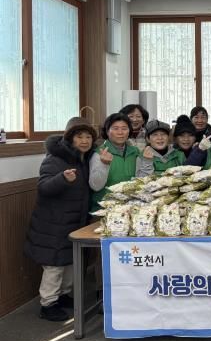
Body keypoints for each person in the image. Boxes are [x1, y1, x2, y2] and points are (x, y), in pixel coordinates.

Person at [24, 117, 97, 321]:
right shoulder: (54, 159)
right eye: (79, 136)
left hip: (73, 221)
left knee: (69, 262)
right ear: (70, 138)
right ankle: (47, 304)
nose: (84, 141)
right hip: (53, 223)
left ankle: (63, 296)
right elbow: (43, 187)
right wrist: (63, 179)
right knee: (54, 265)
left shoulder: (84, 158)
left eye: (88, 137)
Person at [89, 113, 140, 212]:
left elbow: (141, 180)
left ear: (129, 131)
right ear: (107, 131)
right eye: (115, 128)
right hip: (104, 209)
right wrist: (104, 164)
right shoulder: (99, 153)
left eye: (124, 128)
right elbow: (95, 186)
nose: (120, 132)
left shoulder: (135, 151)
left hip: (130, 207)